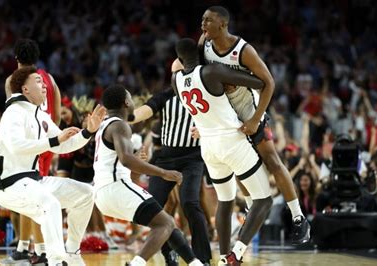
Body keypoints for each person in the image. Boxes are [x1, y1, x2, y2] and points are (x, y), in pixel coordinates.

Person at [173, 5, 310, 245]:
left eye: (208, 21)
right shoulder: (203, 43)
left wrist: (256, 118)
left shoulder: (243, 50)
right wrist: (200, 122)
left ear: (223, 24)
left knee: (272, 161)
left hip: (248, 109)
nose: (203, 25)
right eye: (202, 20)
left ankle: (299, 217)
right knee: (236, 166)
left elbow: (268, 82)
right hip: (225, 116)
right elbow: (188, 72)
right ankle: (249, 209)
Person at [0, 66, 106, 266]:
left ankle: (71, 251)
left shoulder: (41, 116)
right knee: (49, 203)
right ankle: (56, 261)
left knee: (86, 193)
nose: (44, 85)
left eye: (43, 81)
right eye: (37, 81)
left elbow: (65, 145)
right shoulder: (13, 112)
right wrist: (53, 141)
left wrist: (88, 132)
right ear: (25, 90)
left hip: (34, 180)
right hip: (7, 185)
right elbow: (16, 146)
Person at [173, 38, 272, 265]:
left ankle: (224, 257)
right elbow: (258, 82)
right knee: (264, 200)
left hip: (207, 146)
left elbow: (184, 70)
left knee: (225, 201)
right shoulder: (213, 71)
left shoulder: (175, 80)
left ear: (179, 60)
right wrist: (231, 80)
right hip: (230, 140)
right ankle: (236, 253)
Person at [93, 85, 204, 266]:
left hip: (103, 192)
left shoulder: (105, 124)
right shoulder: (120, 124)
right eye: (131, 98)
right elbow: (127, 160)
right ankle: (137, 263)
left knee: (164, 222)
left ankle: (194, 263)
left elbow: (119, 161)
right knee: (165, 224)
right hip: (115, 187)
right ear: (126, 102)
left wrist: (135, 160)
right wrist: (164, 173)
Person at [131, 81, 212, 264]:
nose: (180, 77)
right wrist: (127, 116)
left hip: (193, 157)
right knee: (154, 207)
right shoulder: (165, 96)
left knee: (190, 203)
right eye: (175, 74)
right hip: (166, 157)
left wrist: (206, 130)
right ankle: (169, 253)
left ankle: (203, 258)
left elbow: (219, 117)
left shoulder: (207, 92)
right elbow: (146, 109)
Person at [3, 38, 62, 264]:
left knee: (30, 197)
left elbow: (14, 114)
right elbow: (56, 112)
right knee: (33, 195)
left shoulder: (13, 81)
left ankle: (41, 250)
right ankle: (24, 246)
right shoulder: (49, 78)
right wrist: (52, 141)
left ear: (16, 58)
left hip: (27, 145)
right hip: (47, 141)